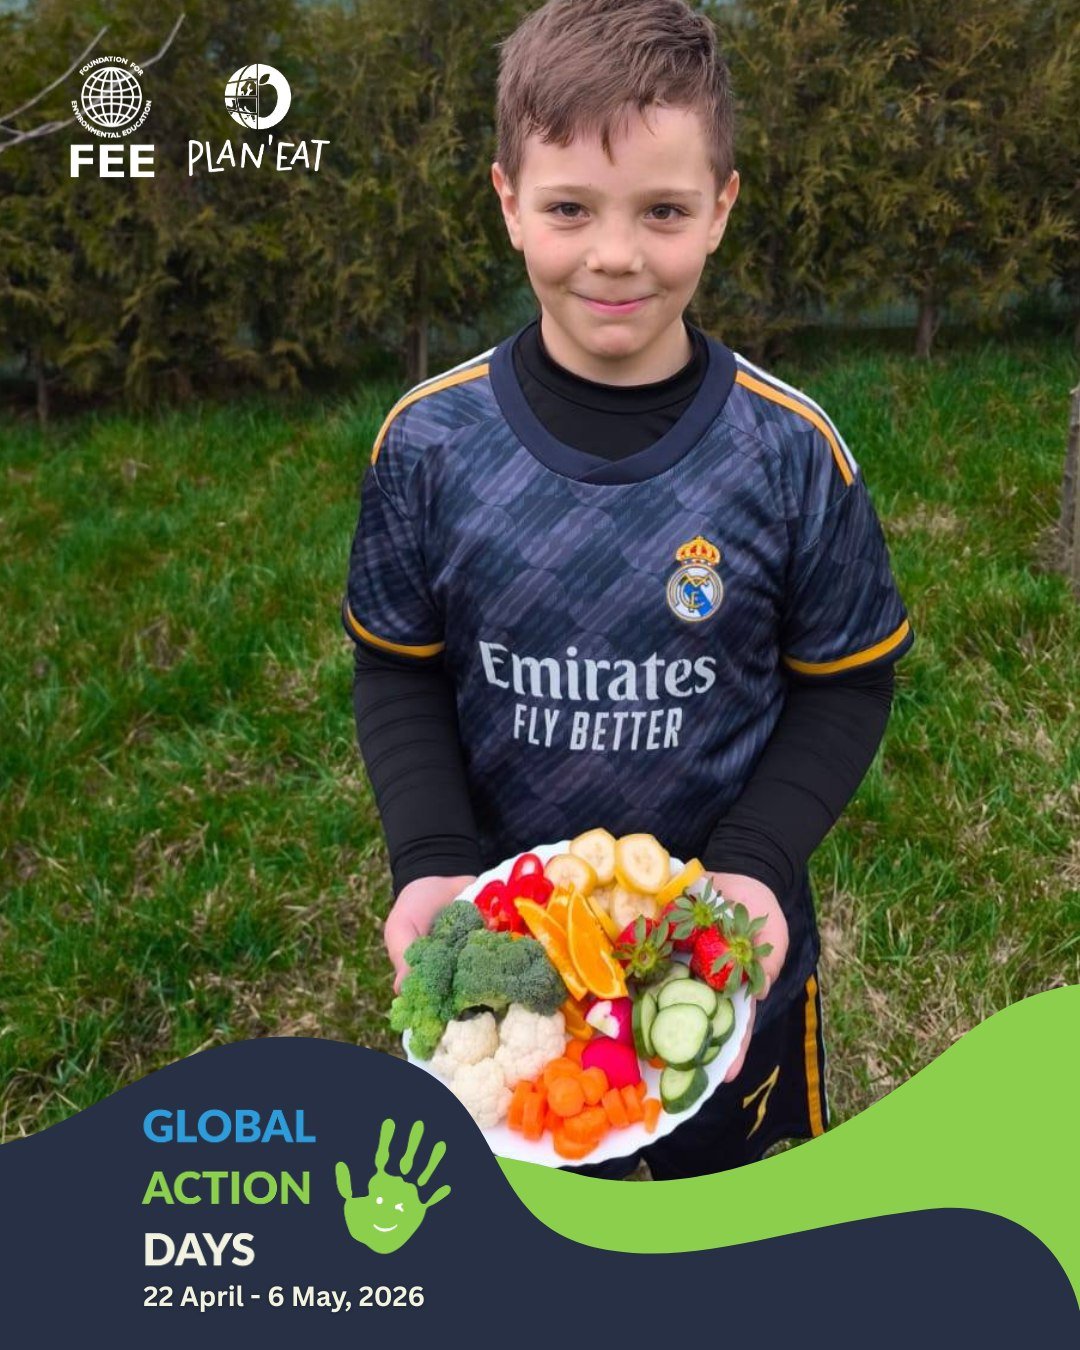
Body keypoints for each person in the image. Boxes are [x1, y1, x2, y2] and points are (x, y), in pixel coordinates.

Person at [341, 0, 912, 1179]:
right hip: (516, 963)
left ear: (721, 207)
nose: (615, 254)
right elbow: (397, 671)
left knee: (748, 1221)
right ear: (507, 203)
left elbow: (849, 688)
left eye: (661, 210)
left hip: (727, 950)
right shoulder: (428, 445)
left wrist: (756, 861)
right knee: (536, 1243)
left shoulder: (791, 451)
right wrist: (434, 862)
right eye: (568, 209)